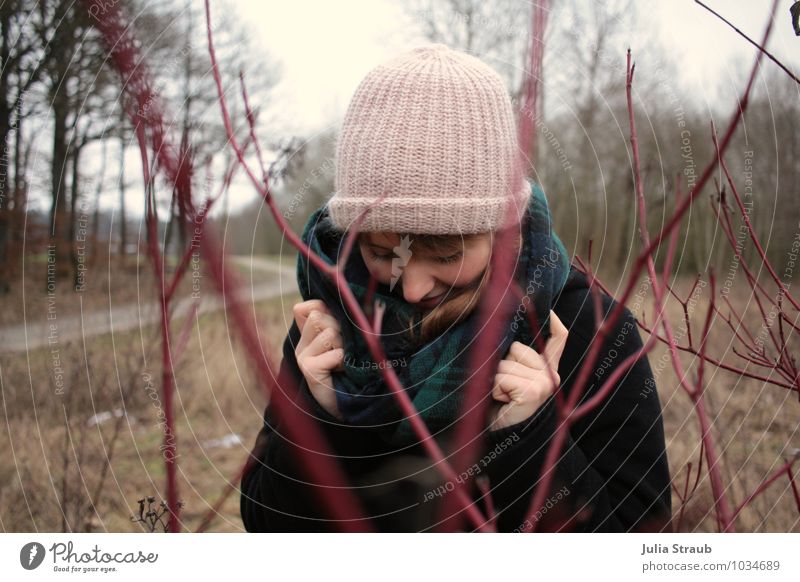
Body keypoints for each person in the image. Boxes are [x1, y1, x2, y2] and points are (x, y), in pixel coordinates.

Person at [240, 44, 672, 533]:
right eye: (383, 253)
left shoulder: (587, 327)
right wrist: (319, 419)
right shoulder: (330, 323)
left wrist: (529, 438)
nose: (411, 287)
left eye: (446, 255)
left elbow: (642, 536)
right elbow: (264, 525)